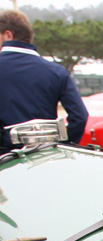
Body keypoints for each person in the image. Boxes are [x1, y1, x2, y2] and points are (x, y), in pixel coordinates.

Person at [0, 9, 87, 153]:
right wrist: (63, 145)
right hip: (45, 156)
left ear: (8, 35)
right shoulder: (56, 71)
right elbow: (80, 117)